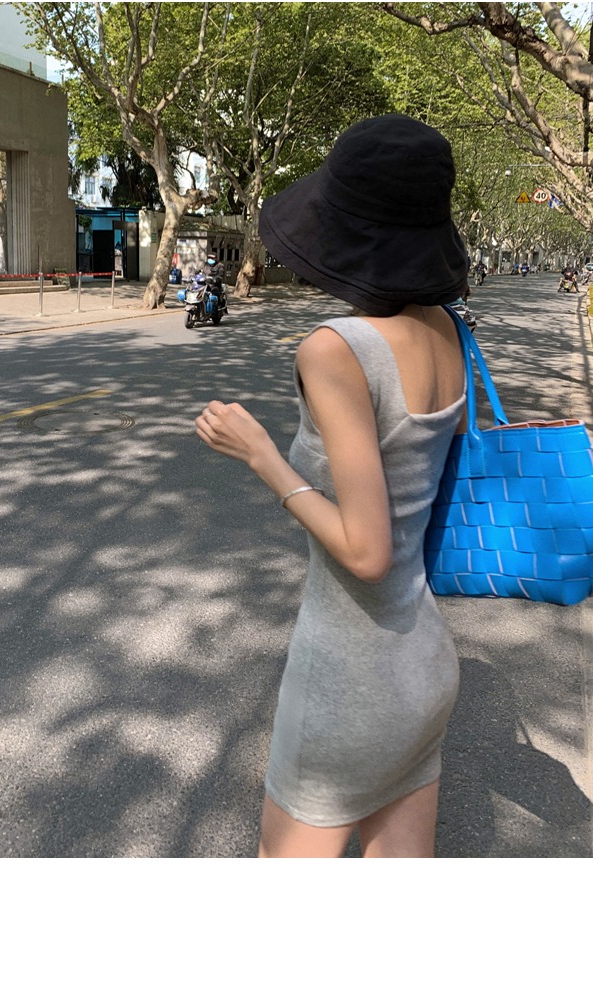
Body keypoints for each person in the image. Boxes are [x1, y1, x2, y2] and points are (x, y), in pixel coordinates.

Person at [195, 114, 469, 858]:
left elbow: (367, 550)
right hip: (423, 664)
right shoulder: (450, 330)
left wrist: (260, 454)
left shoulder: (336, 350)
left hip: (349, 677)